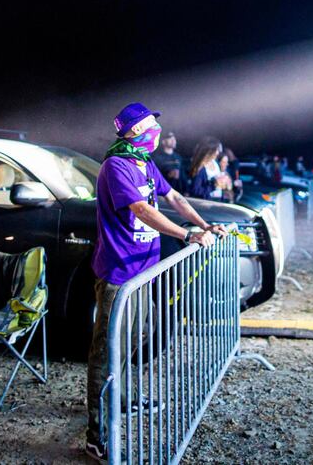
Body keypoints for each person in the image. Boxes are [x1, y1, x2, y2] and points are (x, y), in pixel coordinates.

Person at [87, 103, 227, 463]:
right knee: (105, 353)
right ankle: (97, 433)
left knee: (129, 342)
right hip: (119, 274)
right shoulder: (116, 165)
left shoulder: (144, 163)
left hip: (142, 272)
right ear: (133, 131)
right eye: (150, 126)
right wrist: (187, 235)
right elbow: (142, 210)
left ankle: (122, 400)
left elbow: (173, 198)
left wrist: (205, 225)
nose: (157, 132)